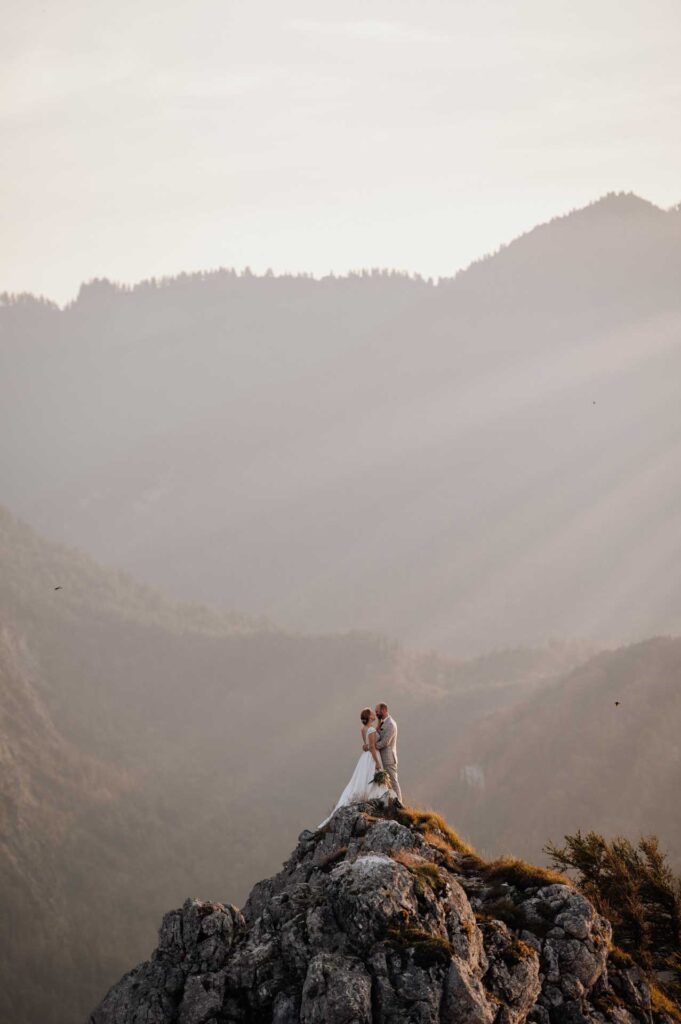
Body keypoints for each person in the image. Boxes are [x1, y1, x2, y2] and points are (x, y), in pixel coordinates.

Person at [318, 707, 394, 827]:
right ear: (369, 717)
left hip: (364, 757)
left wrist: (367, 744)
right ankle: (375, 800)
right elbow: (373, 747)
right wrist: (377, 763)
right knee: (372, 778)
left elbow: (366, 744)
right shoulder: (372, 729)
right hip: (372, 756)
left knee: (361, 778)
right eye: (372, 713)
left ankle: (365, 797)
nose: (375, 714)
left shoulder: (363, 728)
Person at [374, 702, 402, 804]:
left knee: (393, 782)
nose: (376, 713)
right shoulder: (382, 722)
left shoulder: (390, 724)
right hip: (383, 758)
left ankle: (400, 804)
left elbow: (385, 742)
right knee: (387, 783)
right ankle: (391, 803)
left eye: (377, 711)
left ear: (384, 710)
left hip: (389, 758)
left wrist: (372, 747)